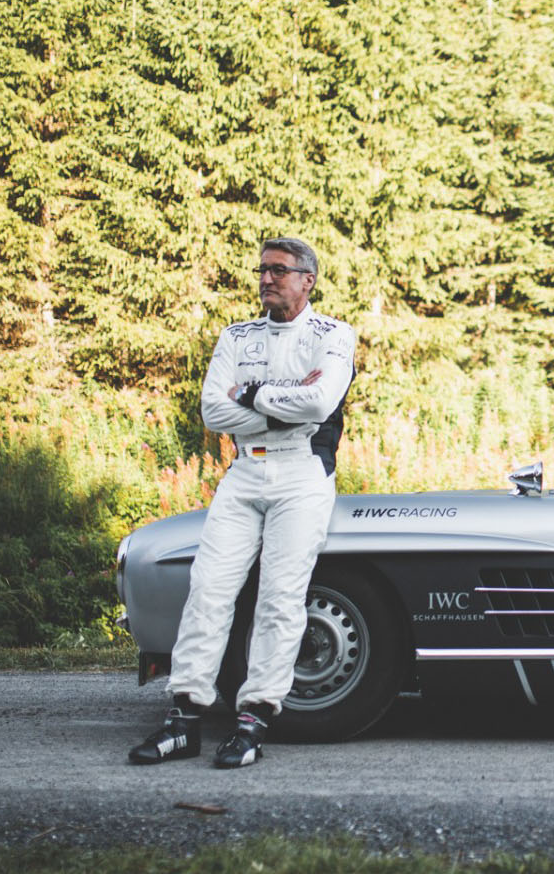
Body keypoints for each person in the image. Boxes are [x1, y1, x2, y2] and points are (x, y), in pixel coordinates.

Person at [129, 237, 355, 768]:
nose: (266, 279)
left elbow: (321, 402)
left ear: (308, 280)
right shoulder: (236, 336)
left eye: (279, 270)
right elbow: (213, 412)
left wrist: (250, 395)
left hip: (302, 473)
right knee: (208, 590)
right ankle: (184, 720)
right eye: (262, 270)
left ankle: (253, 721)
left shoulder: (333, 334)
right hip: (244, 472)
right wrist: (284, 402)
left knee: (280, 597)